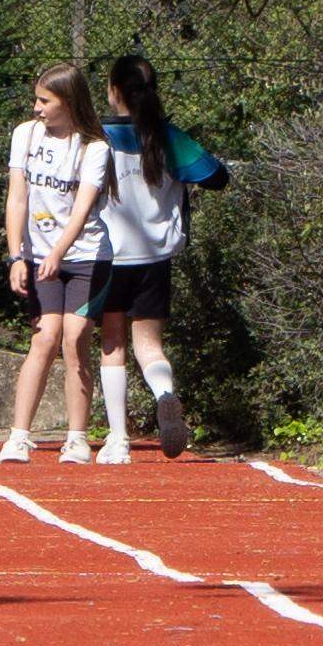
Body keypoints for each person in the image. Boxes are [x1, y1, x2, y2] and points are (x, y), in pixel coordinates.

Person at [84, 48, 224, 460]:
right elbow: (216, 175)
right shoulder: (166, 136)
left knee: (112, 343)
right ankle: (165, 393)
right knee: (150, 345)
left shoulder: (98, 136)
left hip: (109, 256)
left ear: (113, 92)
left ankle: (117, 439)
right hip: (155, 258)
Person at [0, 63, 114, 461]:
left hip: (85, 256)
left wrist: (57, 253)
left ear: (69, 102)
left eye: (45, 101)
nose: (37, 108)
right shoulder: (25, 136)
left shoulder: (94, 148)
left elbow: (82, 209)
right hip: (38, 256)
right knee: (44, 337)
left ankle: (77, 437)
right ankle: (18, 435)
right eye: (36, 99)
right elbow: (18, 197)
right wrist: (17, 256)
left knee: (75, 339)